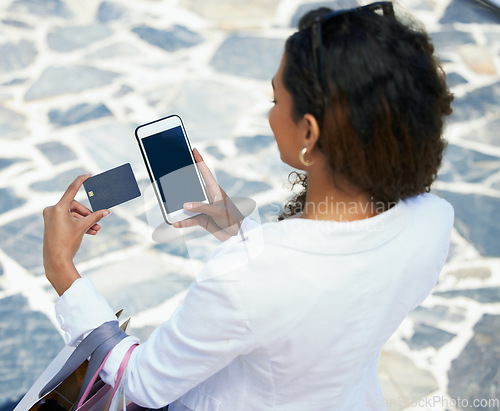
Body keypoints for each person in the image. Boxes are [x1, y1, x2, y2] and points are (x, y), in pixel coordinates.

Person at [42, 2, 454, 410]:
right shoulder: (432, 221)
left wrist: (61, 268)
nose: (271, 114)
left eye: (277, 100)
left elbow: (143, 382)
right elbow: (315, 286)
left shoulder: (242, 276)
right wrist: (233, 225)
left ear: (309, 131)